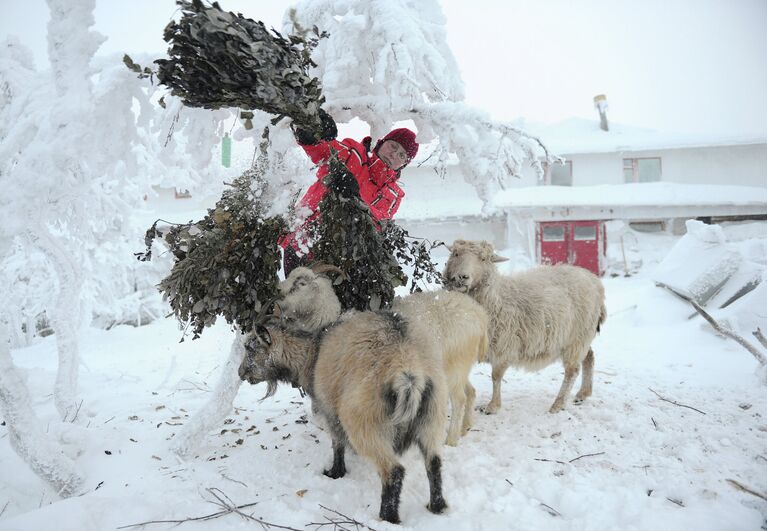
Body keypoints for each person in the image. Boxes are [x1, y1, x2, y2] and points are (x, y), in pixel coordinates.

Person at [280, 110, 419, 276]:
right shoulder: (354, 154)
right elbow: (323, 150)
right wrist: (311, 134)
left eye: (402, 155)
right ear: (381, 143)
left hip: (340, 258)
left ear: (404, 164)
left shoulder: (393, 196)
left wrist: (353, 199)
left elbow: (373, 225)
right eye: (393, 146)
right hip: (302, 241)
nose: (394, 154)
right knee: (297, 297)